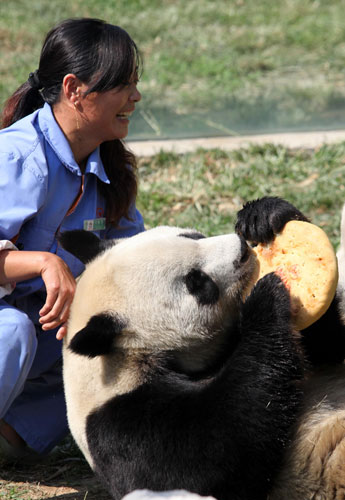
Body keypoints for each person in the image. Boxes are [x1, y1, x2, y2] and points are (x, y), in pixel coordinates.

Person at [0, 17, 144, 461]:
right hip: (11, 331)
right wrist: (46, 263)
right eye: (123, 84)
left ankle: (10, 436)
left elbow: (134, 256)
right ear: (74, 89)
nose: (136, 98)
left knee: (108, 343)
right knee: (14, 331)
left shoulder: (106, 172)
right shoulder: (17, 155)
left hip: (34, 346)